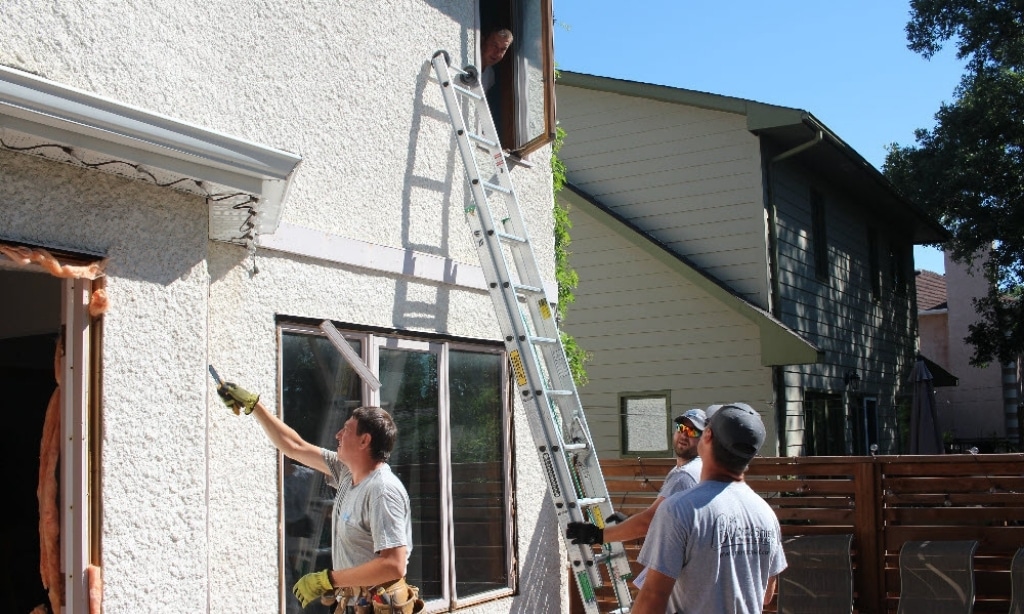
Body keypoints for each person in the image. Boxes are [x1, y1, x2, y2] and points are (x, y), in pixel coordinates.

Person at [217, 382, 421, 612]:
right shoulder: (346, 472)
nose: (338, 434)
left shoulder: (382, 490)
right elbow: (294, 446)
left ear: (365, 441)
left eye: (346, 429)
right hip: (354, 605)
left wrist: (327, 579)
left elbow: (394, 565)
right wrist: (254, 405)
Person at [631, 403, 787, 614]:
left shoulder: (679, 509)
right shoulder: (766, 514)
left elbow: (652, 597)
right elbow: (766, 595)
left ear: (707, 437)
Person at [565, 408, 707, 547]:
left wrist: (598, 535)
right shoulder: (695, 468)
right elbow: (664, 516)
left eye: (692, 431)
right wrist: (629, 521)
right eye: (681, 428)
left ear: (704, 439)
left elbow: (650, 521)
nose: (684, 435)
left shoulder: (684, 476)